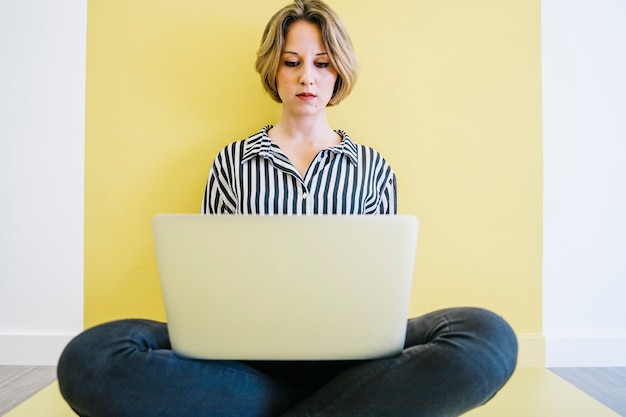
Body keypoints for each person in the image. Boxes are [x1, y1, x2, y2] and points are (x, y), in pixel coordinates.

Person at [57, 1, 518, 416]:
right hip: (249, 352)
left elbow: (382, 282)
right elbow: (210, 277)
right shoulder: (232, 161)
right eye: (292, 63)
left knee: (488, 337)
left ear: (338, 71)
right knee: (90, 359)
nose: (306, 78)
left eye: (321, 63)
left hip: (352, 355)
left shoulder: (373, 167)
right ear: (273, 72)